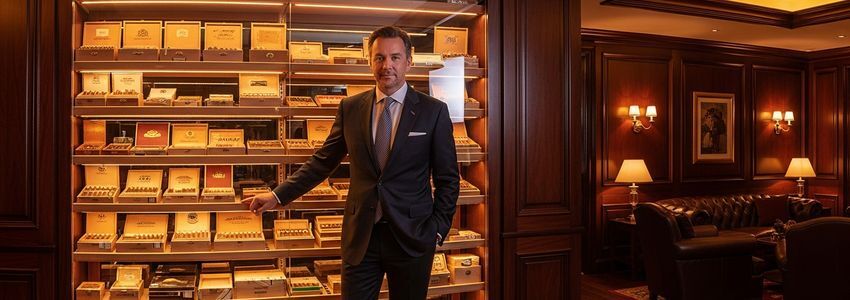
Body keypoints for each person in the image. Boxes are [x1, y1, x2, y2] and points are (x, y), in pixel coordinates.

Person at [242, 26, 460, 300]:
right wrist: (277, 195)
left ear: (409, 60)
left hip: (412, 237)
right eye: (379, 57)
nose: (386, 66)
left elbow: (448, 179)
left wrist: (438, 230)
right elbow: (323, 162)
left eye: (394, 57)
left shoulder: (434, 111)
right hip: (361, 238)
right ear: (370, 61)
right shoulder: (351, 107)